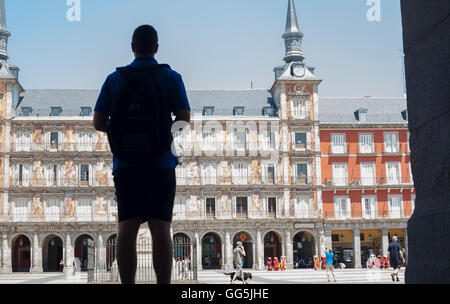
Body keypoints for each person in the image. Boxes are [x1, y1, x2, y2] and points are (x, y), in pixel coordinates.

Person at [94, 25, 191, 284]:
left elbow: (98, 121)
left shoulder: (114, 79)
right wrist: (164, 135)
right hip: (160, 163)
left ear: (132, 47)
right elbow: (183, 119)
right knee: (161, 228)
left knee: (127, 226)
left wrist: (122, 134)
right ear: (156, 48)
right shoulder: (171, 77)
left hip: (126, 165)